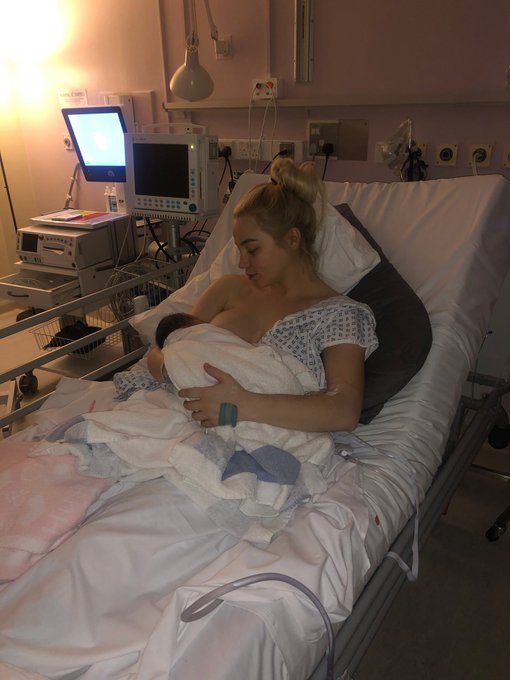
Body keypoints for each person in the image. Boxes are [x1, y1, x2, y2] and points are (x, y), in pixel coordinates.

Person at [177, 158, 378, 432]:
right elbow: (165, 347)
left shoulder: (339, 314)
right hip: (174, 411)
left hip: (256, 440)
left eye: (252, 250)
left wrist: (240, 405)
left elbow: (344, 411)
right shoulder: (228, 289)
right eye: (239, 250)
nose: (242, 263)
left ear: (292, 239)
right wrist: (175, 367)